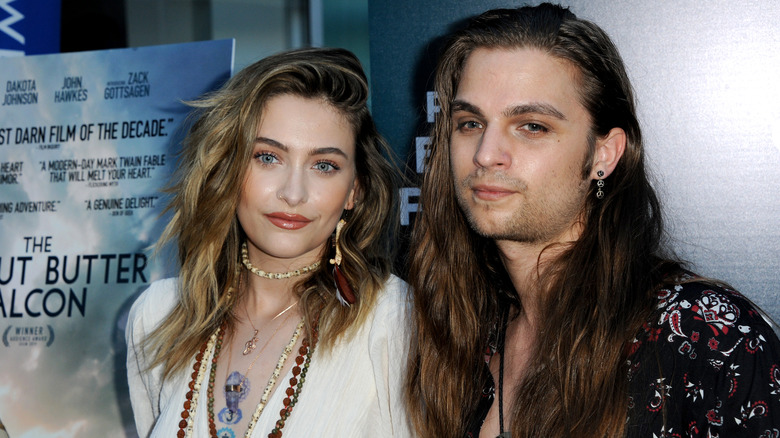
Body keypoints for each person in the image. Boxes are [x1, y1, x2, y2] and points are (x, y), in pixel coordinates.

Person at [405, 3, 780, 437]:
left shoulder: (705, 337)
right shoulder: (466, 338)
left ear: (603, 155)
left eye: (531, 126)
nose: (486, 154)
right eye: (470, 123)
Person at [126, 47, 412, 438]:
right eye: (267, 157)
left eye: (324, 166)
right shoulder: (158, 315)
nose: (293, 193)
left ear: (353, 191)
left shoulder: (394, 322)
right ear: (227, 168)